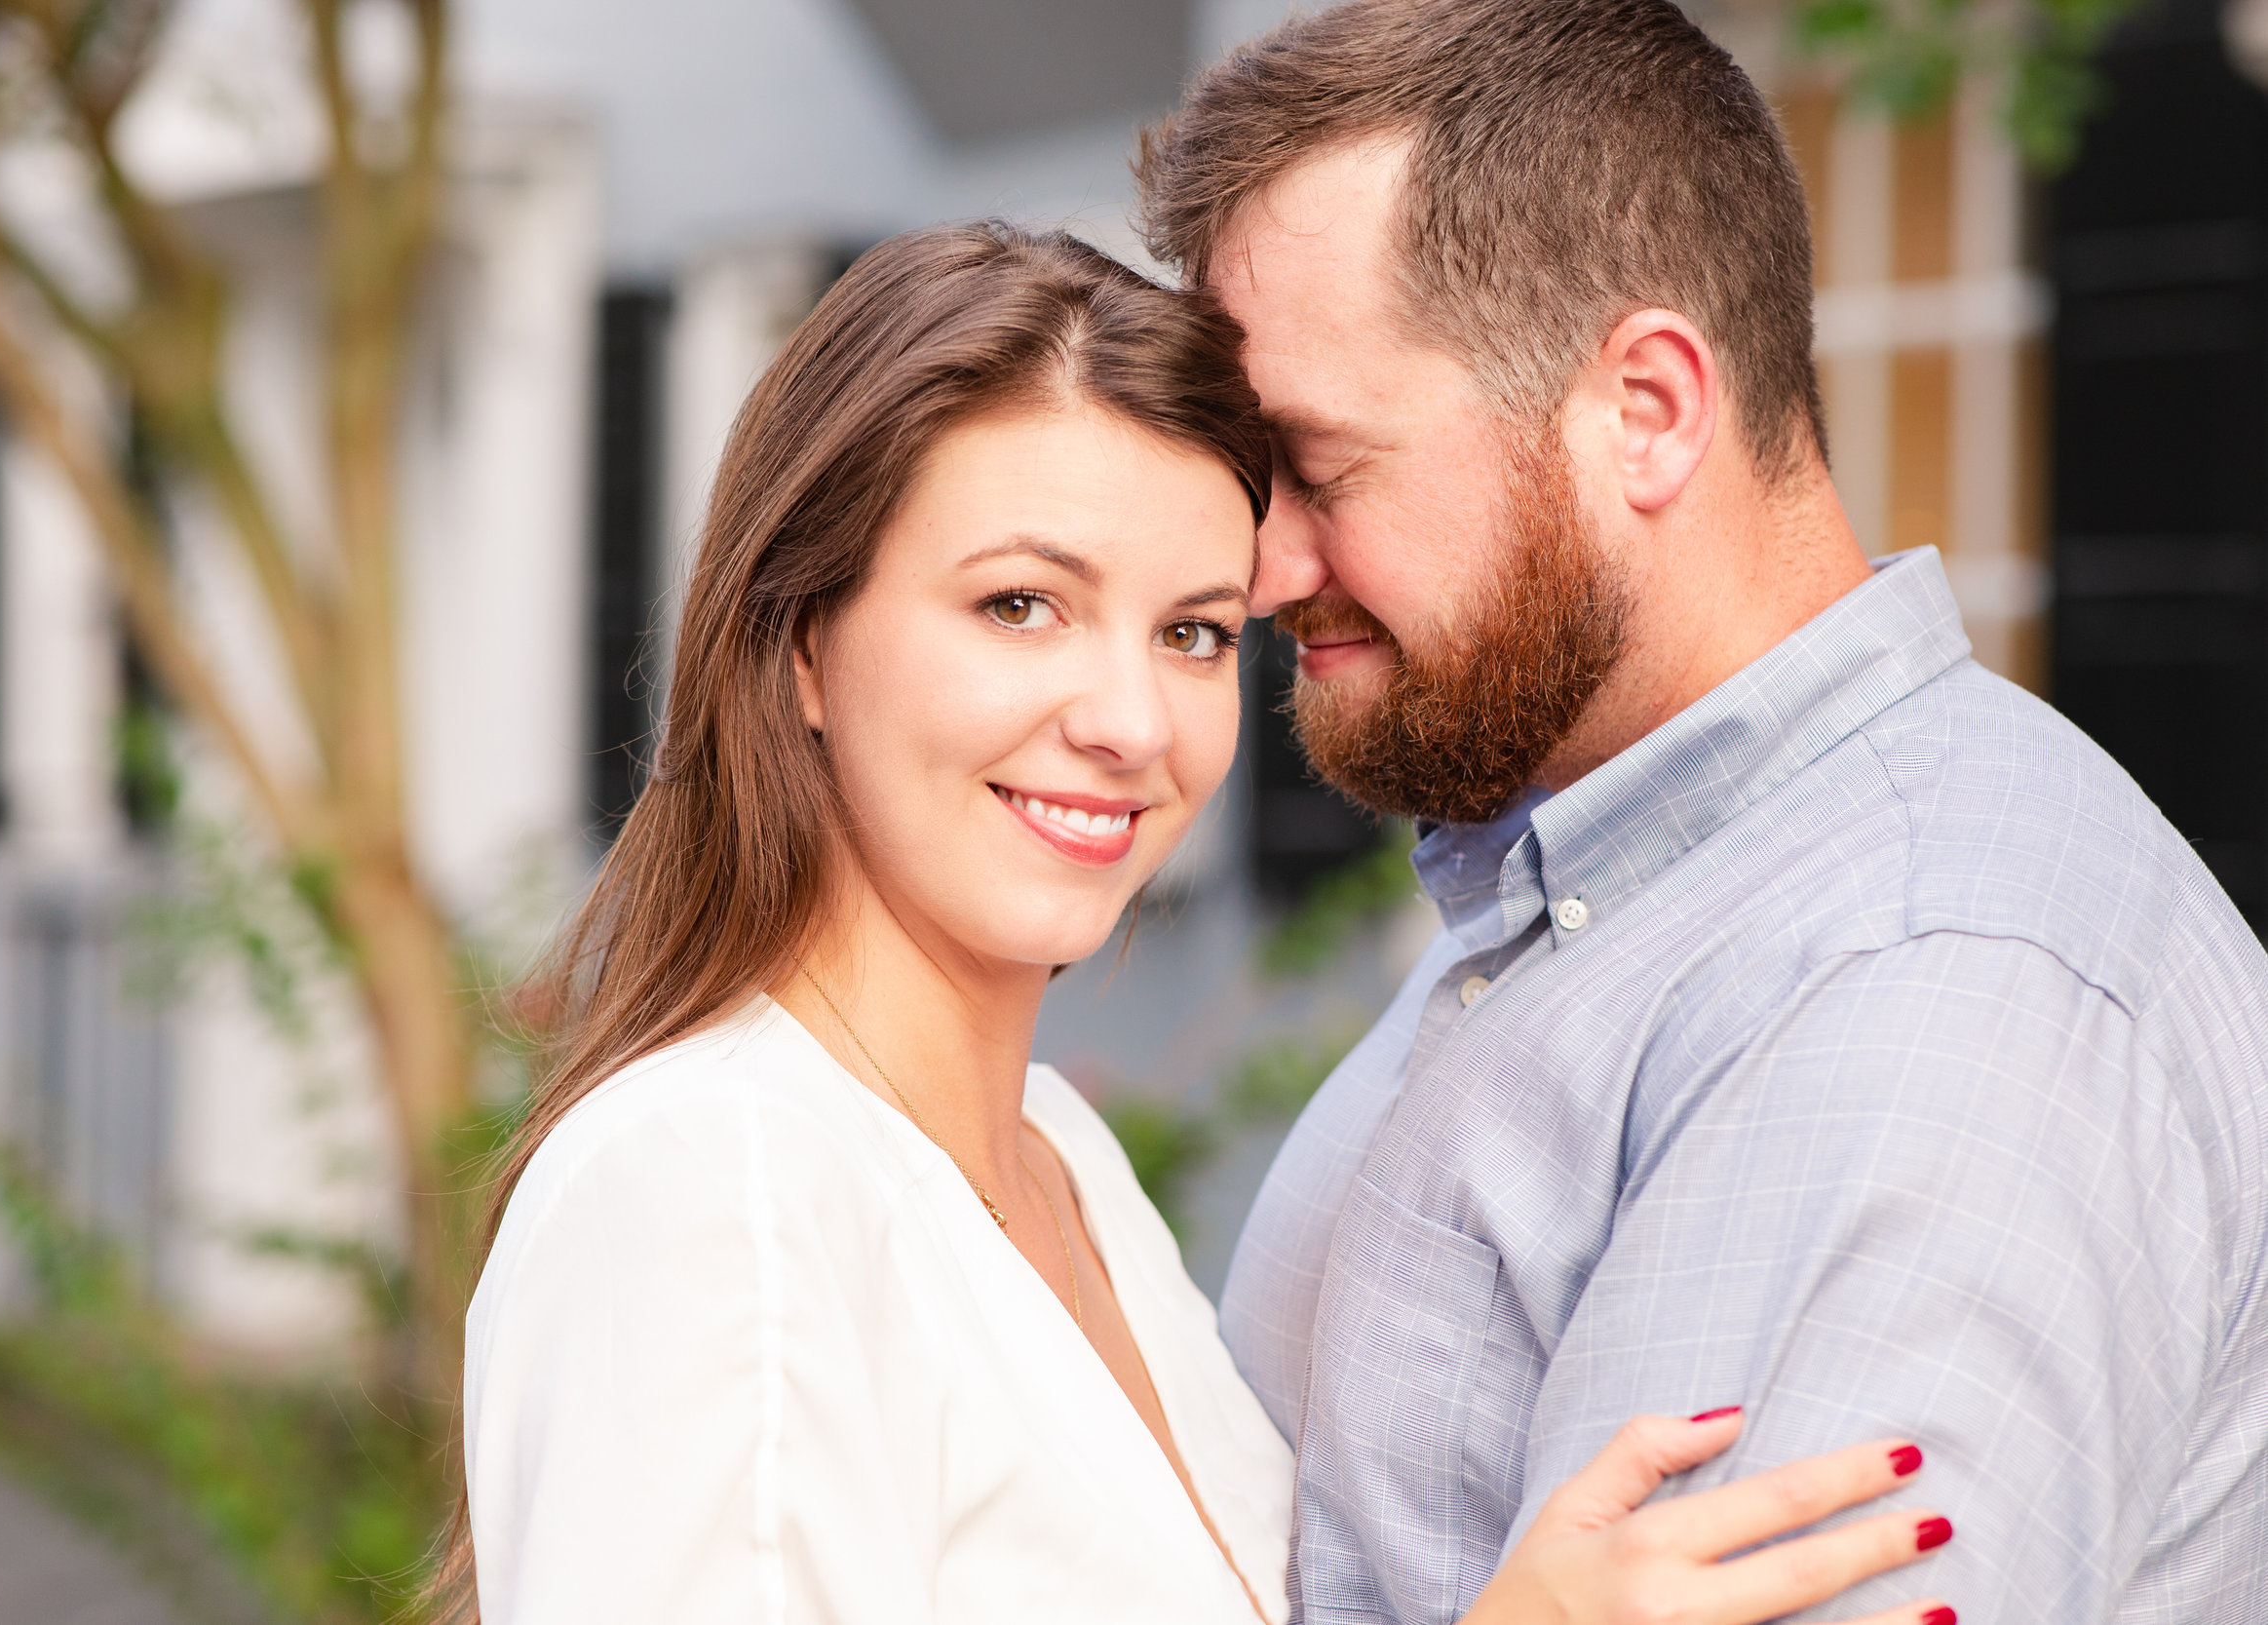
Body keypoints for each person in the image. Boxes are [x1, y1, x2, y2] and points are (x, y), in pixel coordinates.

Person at [437, 223, 1953, 1624]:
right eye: (1020, 604)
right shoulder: (719, 1191)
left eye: (1192, 633)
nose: (1126, 722)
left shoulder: (1063, 1171)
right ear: (803, 647)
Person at [1134, 0, 2268, 1621]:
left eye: (1320, 467)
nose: (1260, 574)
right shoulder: (1614, 880)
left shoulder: (1911, 989)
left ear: (1649, 409)